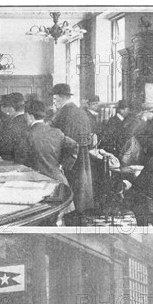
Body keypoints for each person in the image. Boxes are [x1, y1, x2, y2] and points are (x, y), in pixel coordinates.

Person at [51, 83, 95, 213]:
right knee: (81, 187)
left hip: (70, 157)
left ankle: (73, 213)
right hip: (82, 154)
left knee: (72, 189)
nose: (54, 102)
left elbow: (63, 139)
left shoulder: (65, 113)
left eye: (55, 99)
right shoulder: (80, 111)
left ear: (62, 97)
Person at [25, 99, 78, 187]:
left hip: (36, 182)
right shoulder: (57, 132)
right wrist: (62, 165)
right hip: (59, 181)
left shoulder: (27, 135)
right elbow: (74, 146)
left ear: (29, 116)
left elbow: (22, 160)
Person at [0, 93, 31, 164]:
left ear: (11, 108)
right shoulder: (29, 121)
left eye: (6, 106)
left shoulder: (11, 125)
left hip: (14, 164)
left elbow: (6, 152)